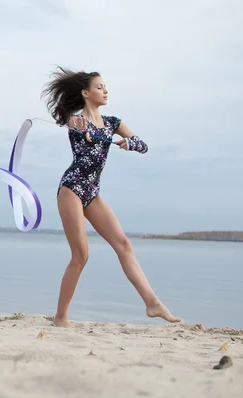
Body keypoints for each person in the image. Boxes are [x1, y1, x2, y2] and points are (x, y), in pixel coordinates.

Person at [40, 66, 181, 328]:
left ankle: (152, 303)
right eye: (100, 87)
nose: (105, 91)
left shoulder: (114, 122)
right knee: (81, 255)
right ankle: (61, 318)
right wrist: (105, 137)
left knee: (124, 244)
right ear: (85, 93)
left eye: (105, 87)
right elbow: (89, 134)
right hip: (72, 187)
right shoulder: (75, 120)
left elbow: (144, 145)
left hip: (92, 191)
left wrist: (131, 143)